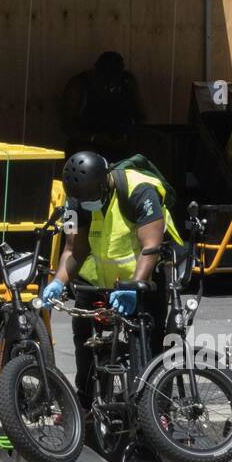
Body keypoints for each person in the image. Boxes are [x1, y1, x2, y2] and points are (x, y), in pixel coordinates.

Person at [40, 150, 183, 409]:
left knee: (150, 339)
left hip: (144, 277)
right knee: (83, 339)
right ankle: (84, 405)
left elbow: (151, 246)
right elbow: (74, 249)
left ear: (104, 182)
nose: (87, 204)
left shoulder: (139, 190)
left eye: (91, 198)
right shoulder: (74, 204)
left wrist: (133, 288)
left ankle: (157, 409)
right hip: (97, 280)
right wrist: (58, 281)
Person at [60, 51, 143, 162]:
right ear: (96, 70)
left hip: (120, 143)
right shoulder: (79, 85)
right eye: (106, 74)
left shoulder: (127, 82)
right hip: (87, 144)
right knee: (86, 158)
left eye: (115, 74)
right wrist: (94, 138)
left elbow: (140, 117)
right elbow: (66, 126)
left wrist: (129, 138)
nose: (110, 81)